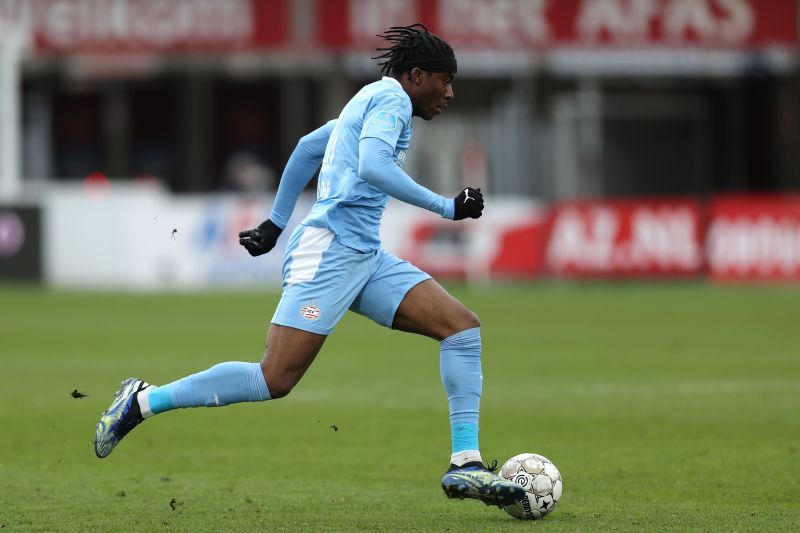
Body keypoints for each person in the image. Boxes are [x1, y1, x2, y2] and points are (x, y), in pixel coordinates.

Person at [94, 23, 524, 510]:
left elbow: (306, 148)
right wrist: (448, 207)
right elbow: (373, 167)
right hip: (331, 253)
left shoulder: (367, 99)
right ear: (417, 75)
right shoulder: (392, 101)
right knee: (273, 379)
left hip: (362, 254)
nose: (449, 92)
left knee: (461, 329)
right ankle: (143, 400)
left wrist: (276, 224)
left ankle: (465, 463)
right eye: (444, 80)